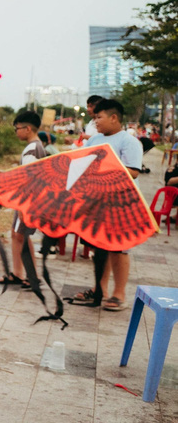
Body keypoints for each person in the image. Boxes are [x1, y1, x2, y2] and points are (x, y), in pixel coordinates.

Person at [82, 98, 143, 311]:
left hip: (120, 205)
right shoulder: (93, 140)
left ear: (114, 117)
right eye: (95, 117)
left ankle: (119, 295)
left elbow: (133, 171)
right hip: (96, 202)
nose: (96, 121)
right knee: (99, 249)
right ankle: (100, 289)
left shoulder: (129, 142)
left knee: (118, 249)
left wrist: (104, 168)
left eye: (99, 117)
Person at [0, 110, 47, 289]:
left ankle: (30, 276)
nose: (16, 132)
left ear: (27, 129)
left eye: (17, 129)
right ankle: (19, 273)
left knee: (20, 236)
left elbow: (28, 179)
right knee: (18, 235)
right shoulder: (37, 146)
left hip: (28, 200)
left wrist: (21, 205)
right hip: (30, 200)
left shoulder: (32, 150)